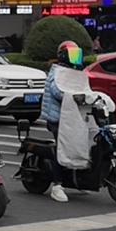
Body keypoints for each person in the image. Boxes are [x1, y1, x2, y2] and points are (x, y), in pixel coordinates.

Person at [38, 40, 85, 203]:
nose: (76, 58)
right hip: (57, 118)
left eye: (77, 54)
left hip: (71, 117)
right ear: (64, 55)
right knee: (62, 149)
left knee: (78, 145)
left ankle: (75, 179)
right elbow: (58, 91)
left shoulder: (75, 72)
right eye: (72, 54)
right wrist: (74, 94)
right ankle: (57, 186)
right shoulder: (57, 72)